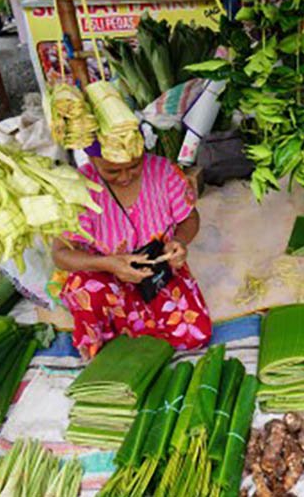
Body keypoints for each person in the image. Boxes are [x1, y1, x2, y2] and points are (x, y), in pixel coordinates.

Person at [52, 142, 211, 359]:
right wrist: (108, 264)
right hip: (105, 274)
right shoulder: (78, 189)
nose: (125, 176)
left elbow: (190, 218)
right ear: (92, 160)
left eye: (134, 166)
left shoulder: (165, 172)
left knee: (194, 334)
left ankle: (129, 331)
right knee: (86, 291)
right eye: (112, 171)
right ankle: (113, 335)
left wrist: (179, 242)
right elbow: (61, 254)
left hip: (157, 269)